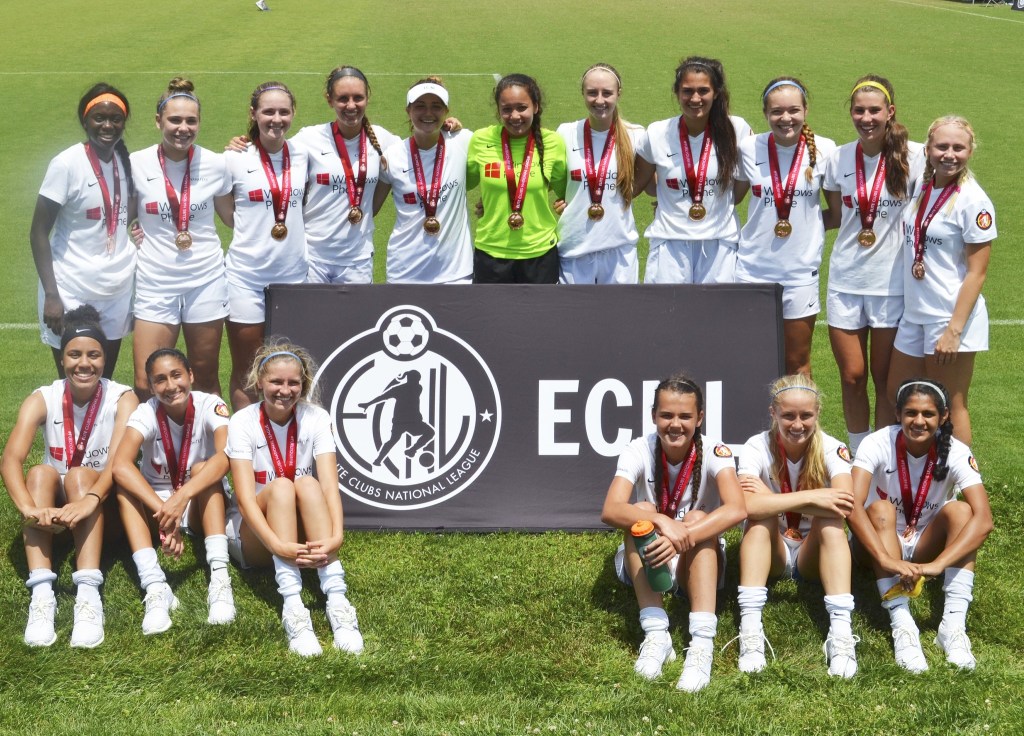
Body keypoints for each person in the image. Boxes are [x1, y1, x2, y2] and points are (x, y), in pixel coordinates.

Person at [1, 306, 137, 648]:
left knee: (77, 475)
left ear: (105, 359)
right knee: (40, 472)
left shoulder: (123, 397)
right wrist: (29, 509)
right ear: (62, 359)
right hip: (55, 517)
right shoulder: (43, 397)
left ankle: (88, 593)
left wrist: (90, 500)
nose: (84, 363)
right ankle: (42, 592)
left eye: (94, 355)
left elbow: (118, 463)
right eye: (74, 355)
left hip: (102, 509)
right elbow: (11, 459)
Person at [600, 376, 745, 692]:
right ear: (653, 416)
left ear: (700, 418)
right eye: (666, 415)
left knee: (698, 517)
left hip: (698, 562)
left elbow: (737, 509)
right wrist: (661, 521)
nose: (675, 424)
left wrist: (683, 534)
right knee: (639, 513)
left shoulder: (716, 451)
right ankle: (656, 634)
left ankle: (702, 643)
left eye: (685, 416)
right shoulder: (638, 448)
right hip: (652, 559)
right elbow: (610, 509)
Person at [225, 341, 362, 657]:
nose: (285, 390)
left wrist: (337, 536)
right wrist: (277, 545)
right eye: (276, 381)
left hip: (299, 537)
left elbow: (330, 487)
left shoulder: (316, 417)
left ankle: (338, 601)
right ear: (260, 382)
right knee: (282, 487)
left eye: (293, 383)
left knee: (308, 484)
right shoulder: (242, 421)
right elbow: (245, 500)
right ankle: (294, 607)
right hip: (256, 537)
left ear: (304, 384)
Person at [847, 379, 991, 672]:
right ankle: (902, 625)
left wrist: (938, 564)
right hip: (876, 544)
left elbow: (984, 519)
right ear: (898, 413)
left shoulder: (956, 451)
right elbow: (852, 506)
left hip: (925, 543)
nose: (919, 421)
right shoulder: (876, 442)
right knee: (881, 508)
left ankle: (953, 626)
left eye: (928, 414)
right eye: (911, 412)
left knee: (962, 511)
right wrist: (885, 558)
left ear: (944, 416)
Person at [823, 76, 924, 455]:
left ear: (890, 112)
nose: (866, 118)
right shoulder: (838, 158)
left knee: (884, 381)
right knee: (851, 377)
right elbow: (835, 216)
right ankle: (857, 452)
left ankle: (877, 459)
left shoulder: (916, 157)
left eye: (874, 111)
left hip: (891, 286)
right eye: (859, 111)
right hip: (845, 280)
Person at [732, 374, 858, 678]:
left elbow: (844, 505)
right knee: (759, 520)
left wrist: (772, 499)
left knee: (831, 521)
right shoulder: (755, 446)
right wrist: (814, 497)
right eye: (788, 415)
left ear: (818, 413)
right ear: (773, 413)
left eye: (806, 416)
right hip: (772, 549)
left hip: (812, 552)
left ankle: (841, 634)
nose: (797, 424)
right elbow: (746, 506)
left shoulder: (832, 447)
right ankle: (750, 630)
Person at [887, 116, 995, 447]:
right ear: (928, 149)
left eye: (958, 148)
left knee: (949, 406)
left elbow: (977, 272)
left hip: (948, 317)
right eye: (942, 146)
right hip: (915, 313)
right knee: (897, 394)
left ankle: (960, 476)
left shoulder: (973, 200)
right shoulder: (924, 186)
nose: (949, 154)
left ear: (970, 151)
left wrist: (954, 330)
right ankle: (912, 471)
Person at [112, 348, 235, 634]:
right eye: (160, 379)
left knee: (205, 469)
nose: (170, 386)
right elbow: (120, 465)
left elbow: (226, 456)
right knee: (124, 487)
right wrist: (165, 512)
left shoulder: (211, 404)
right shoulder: (146, 412)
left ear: (190, 375)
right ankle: (155, 585)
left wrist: (182, 497)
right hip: (158, 505)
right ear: (150, 386)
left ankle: (220, 578)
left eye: (176, 375)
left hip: (198, 502)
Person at [130, 78, 232, 399]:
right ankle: (157, 435)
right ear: (158, 120)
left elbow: (232, 218)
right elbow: (121, 216)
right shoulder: (135, 164)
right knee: (147, 381)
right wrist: (131, 231)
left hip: (205, 280)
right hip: (155, 280)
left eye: (191, 120)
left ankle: (213, 433)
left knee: (204, 377)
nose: (183, 128)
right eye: (175, 120)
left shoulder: (216, 164)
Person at [30, 83, 136, 377]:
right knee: (74, 380)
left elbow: (125, 213)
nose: (107, 125)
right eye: (99, 118)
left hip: (116, 290)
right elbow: (38, 232)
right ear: (85, 120)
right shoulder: (66, 164)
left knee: (104, 381)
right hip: (70, 289)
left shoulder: (126, 162)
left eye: (116, 119)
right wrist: (52, 295)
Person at [734, 77, 837, 376]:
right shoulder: (749, 148)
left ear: (806, 110)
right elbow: (731, 199)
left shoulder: (825, 149)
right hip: (752, 271)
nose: (786, 118)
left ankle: (800, 411)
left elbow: (837, 213)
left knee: (797, 362)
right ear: (765, 113)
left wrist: (807, 228)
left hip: (799, 273)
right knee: (751, 358)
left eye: (793, 110)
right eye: (776, 111)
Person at [219, 81, 308, 410]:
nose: (277, 119)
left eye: (284, 111)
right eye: (268, 111)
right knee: (247, 370)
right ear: (253, 114)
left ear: (293, 113)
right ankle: (247, 438)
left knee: (293, 370)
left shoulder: (304, 154)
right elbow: (228, 215)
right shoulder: (232, 159)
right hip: (246, 278)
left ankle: (289, 435)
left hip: (294, 279)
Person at [635, 56, 752, 284]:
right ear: (677, 92)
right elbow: (642, 184)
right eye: (687, 91)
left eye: (703, 90)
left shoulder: (736, 129)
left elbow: (736, 193)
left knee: (717, 308)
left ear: (715, 93)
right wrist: (671, 196)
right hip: (670, 244)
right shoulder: (657, 133)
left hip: (720, 243)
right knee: (666, 307)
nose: (695, 98)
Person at [292, 66, 400, 284]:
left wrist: (447, 129)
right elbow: (272, 154)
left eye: (358, 98)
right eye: (343, 99)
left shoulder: (383, 139)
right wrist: (245, 143)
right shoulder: (309, 138)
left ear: (367, 98)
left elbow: (420, 149)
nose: (351, 106)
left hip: (357, 260)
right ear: (329, 100)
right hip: (312, 257)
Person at [466, 73, 568, 283]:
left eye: (522, 108)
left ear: (536, 107)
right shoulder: (481, 140)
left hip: (539, 253)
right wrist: (447, 130)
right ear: (498, 110)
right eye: (506, 109)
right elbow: (462, 184)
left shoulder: (553, 142)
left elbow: (567, 190)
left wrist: (564, 202)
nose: (514, 116)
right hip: (491, 252)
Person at [373, 78, 474, 283]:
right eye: (420, 106)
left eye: (436, 106)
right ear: (408, 111)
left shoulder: (463, 141)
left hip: (456, 274)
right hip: (405, 272)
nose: (428, 113)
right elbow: (371, 208)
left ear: (446, 111)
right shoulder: (393, 156)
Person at [553, 63, 645, 284]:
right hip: (575, 248)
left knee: (619, 308)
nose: (599, 100)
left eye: (607, 93)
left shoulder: (636, 135)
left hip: (619, 251)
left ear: (618, 93)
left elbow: (655, 181)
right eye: (592, 93)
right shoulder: (565, 132)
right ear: (583, 93)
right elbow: (541, 177)